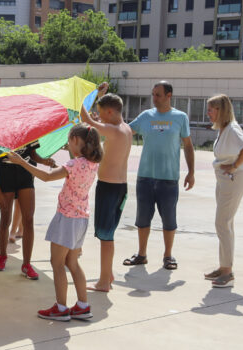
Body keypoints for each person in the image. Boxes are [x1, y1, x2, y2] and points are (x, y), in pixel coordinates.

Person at [8, 123, 102, 321]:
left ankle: (61, 308)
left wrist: (22, 162)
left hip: (66, 219)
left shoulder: (74, 165)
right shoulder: (93, 164)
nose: (68, 146)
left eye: (69, 141)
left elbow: (47, 176)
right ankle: (83, 306)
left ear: (76, 141)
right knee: (73, 262)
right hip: (81, 219)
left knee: (57, 263)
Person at [123, 81, 195, 270]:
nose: (154, 98)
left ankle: (168, 256)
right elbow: (124, 131)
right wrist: (106, 121)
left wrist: (191, 172)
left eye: (158, 95)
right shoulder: (146, 116)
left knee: (169, 219)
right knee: (142, 218)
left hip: (169, 178)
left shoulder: (180, 117)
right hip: (145, 176)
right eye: (153, 94)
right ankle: (141, 254)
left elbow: (188, 146)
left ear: (169, 95)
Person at [81, 84, 132, 292]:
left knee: (105, 236)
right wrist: (100, 96)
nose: (100, 118)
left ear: (110, 112)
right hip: (120, 188)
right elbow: (93, 123)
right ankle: (108, 274)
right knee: (107, 234)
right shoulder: (126, 128)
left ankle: (103, 282)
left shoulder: (113, 130)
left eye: (102, 114)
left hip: (109, 189)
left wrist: (84, 98)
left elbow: (86, 119)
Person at [204, 94, 243, 288]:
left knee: (222, 223)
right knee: (226, 224)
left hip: (233, 179)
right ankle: (224, 266)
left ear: (221, 110)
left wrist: (233, 167)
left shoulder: (231, 128)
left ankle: (227, 272)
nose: (208, 113)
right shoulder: (224, 129)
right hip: (225, 180)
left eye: (211, 109)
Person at [0, 140, 55, 279]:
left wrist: (43, 161)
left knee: (29, 219)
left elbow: (32, 154)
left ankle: (26, 264)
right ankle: (2, 256)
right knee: (5, 219)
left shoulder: (28, 127)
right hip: (5, 177)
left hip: (25, 176)